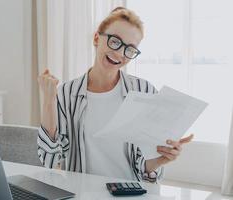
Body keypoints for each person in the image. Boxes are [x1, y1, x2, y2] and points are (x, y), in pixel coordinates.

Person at [37, 7, 193, 183]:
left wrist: (158, 161)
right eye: (115, 41)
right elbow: (50, 159)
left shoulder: (144, 90)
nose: (119, 53)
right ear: (97, 38)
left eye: (130, 49)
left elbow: (143, 166)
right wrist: (49, 101)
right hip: (81, 193)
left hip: (130, 194)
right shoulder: (67, 93)